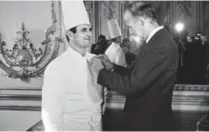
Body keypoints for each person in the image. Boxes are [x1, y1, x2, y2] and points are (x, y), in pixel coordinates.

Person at [91, 1, 179, 131]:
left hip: (149, 122)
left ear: (142, 21)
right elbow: (138, 74)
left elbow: (133, 85)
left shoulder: (160, 46)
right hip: (146, 118)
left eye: (129, 26)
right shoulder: (156, 41)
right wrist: (112, 67)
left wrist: (100, 72)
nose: (129, 32)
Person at [41, 0, 106, 131]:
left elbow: (101, 98)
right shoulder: (57, 67)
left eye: (89, 30)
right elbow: (51, 115)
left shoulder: (95, 60)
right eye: (83, 30)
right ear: (70, 34)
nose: (88, 34)